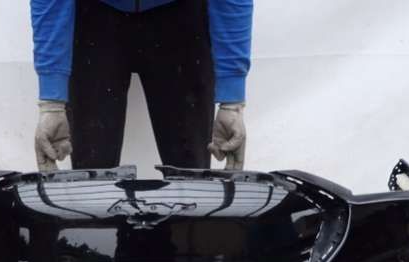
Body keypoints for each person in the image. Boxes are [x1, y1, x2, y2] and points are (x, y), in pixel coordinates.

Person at [29, 0, 253, 172]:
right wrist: (51, 102)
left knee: (191, 177)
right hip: (96, 17)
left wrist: (232, 102)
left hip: (181, 18)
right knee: (92, 177)